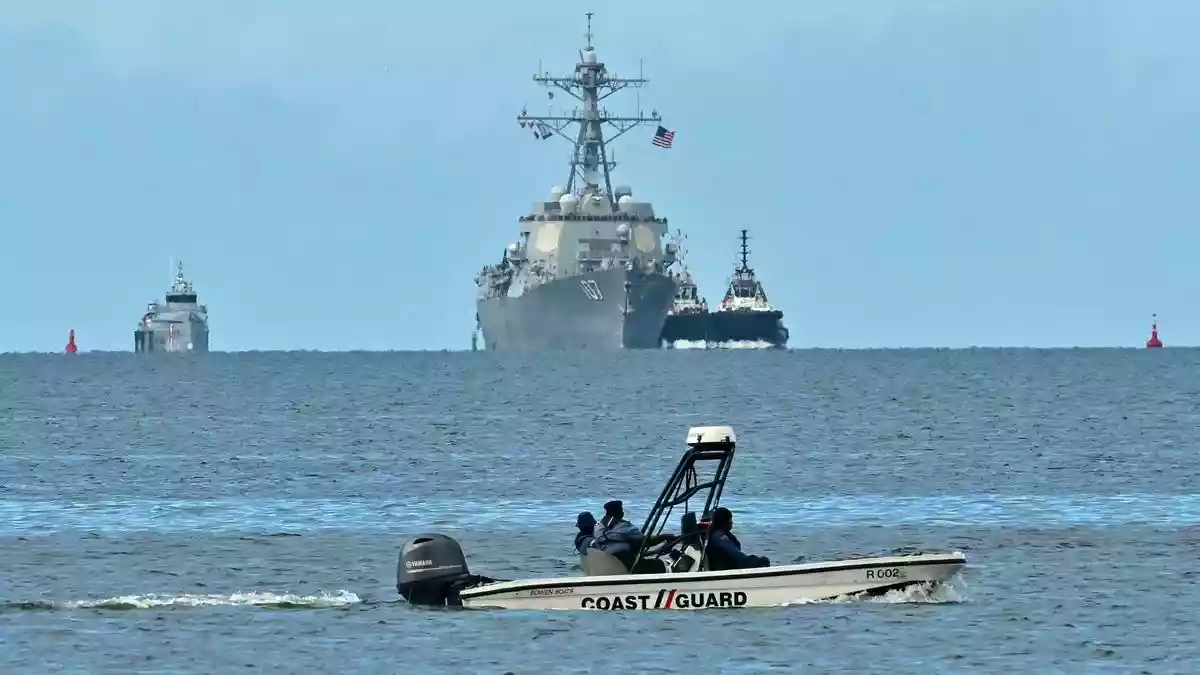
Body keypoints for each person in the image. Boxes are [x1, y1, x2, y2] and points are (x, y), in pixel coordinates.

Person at [703, 507, 770, 571]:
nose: (732, 522)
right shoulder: (721, 539)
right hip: (732, 569)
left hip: (728, 565)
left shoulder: (718, 534)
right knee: (764, 560)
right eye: (730, 519)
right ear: (725, 521)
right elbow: (739, 559)